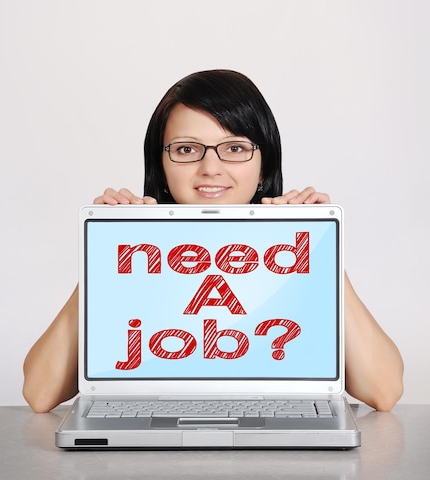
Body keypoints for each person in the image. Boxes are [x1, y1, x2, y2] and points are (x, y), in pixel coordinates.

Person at [23, 69, 404, 413]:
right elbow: (40, 394)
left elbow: (383, 391)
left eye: (235, 148)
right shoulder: (132, 253)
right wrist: (103, 252)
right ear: (161, 164)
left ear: (263, 167)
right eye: (187, 149)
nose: (211, 168)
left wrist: (320, 244)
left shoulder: (294, 248)